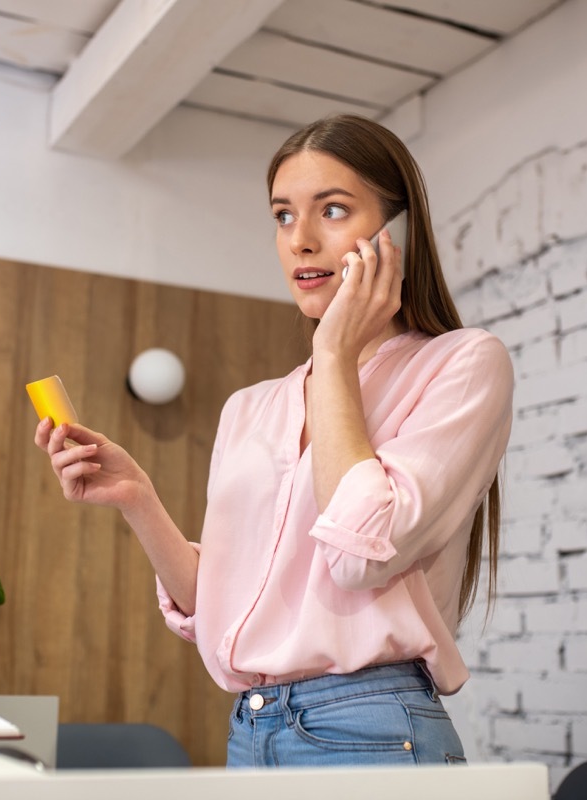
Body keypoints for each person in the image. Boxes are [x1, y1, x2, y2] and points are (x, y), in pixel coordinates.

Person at [34, 114, 514, 768]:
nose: (302, 240)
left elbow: (359, 554)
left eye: (334, 210)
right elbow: (220, 610)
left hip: (370, 727)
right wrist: (137, 499)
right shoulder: (250, 408)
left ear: (397, 235)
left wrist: (336, 353)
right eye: (283, 216)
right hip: (252, 731)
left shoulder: (463, 364)